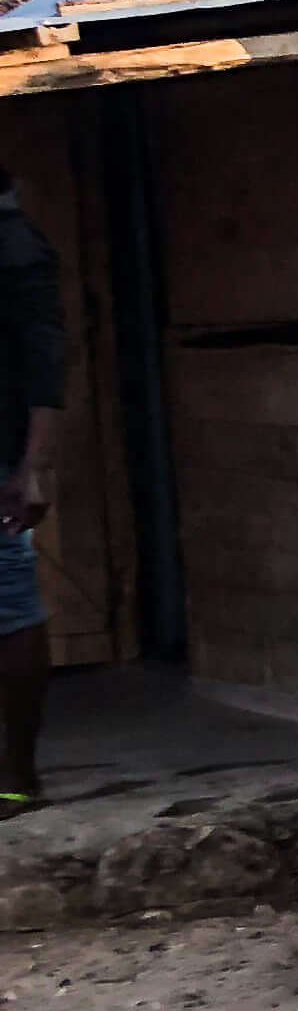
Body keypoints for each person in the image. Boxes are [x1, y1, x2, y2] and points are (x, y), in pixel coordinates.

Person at [0, 169, 63, 809]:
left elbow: (46, 367)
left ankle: (18, 778)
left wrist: (34, 465)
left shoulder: (16, 250)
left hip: (0, 460)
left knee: (9, 612)